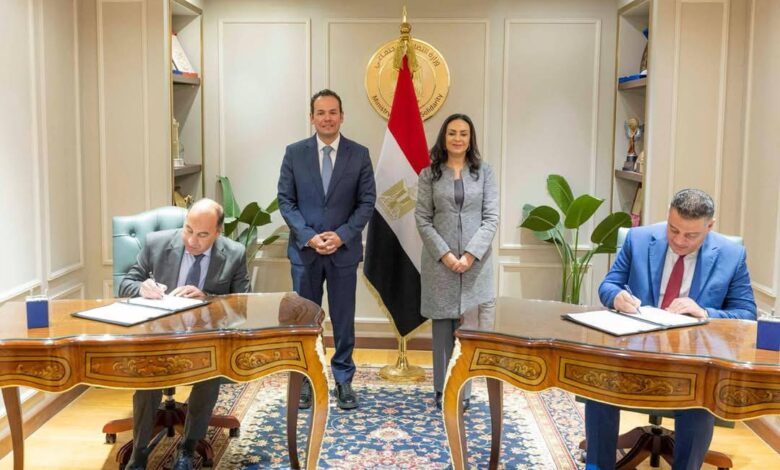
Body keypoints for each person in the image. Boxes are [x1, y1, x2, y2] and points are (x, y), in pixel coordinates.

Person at [586, 188, 756, 470]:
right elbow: (609, 285)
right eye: (673, 229)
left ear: (709, 227)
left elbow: (747, 314)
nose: (678, 240)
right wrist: (616, 296)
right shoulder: (639, 239)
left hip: (692, 362)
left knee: (700, 400)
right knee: (598, 384)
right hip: (636, 352)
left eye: (691, 235)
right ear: (668, 215)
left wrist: (705, 312)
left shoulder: (731, 255)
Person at [119, 198, 250, 470]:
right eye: (188, 230)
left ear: (218, 232)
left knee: (209, 374)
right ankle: (139, 454)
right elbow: (126, 283)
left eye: (202, 235)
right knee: (148, 373)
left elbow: (242, 305)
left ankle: (188, 448)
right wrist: (142, 288)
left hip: (205, 339)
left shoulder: (235, 253)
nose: (191, 240)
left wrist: (208, 297)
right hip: (160, 336)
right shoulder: (156, 243)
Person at [277, 89, 376, 410]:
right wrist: (309, 236)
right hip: (305, 252)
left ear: (342, 116)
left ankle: (344, 379)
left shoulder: (359, 155)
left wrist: (342, 236)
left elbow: (367, 202)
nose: (327, 118)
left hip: (343, 253)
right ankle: (307, 377)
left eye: (333, 112)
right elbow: (286, 201)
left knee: (343, 319)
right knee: (305, 320)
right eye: (321, 113)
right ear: (312, 118)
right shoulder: (294, 153)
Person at [415, 113, 499, 410]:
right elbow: (423, 219)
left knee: (469, 330)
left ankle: (463, 390)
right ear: (444, 137)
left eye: (464, 133)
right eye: (452, 133)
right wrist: (447, 255)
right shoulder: (429, 174)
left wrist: (470, 255)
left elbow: (491, 218)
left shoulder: (485, 173)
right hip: (440, 263)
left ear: (470, 138)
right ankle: (442, 390)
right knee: (442, 329)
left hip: (476, 265)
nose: (458, 138)